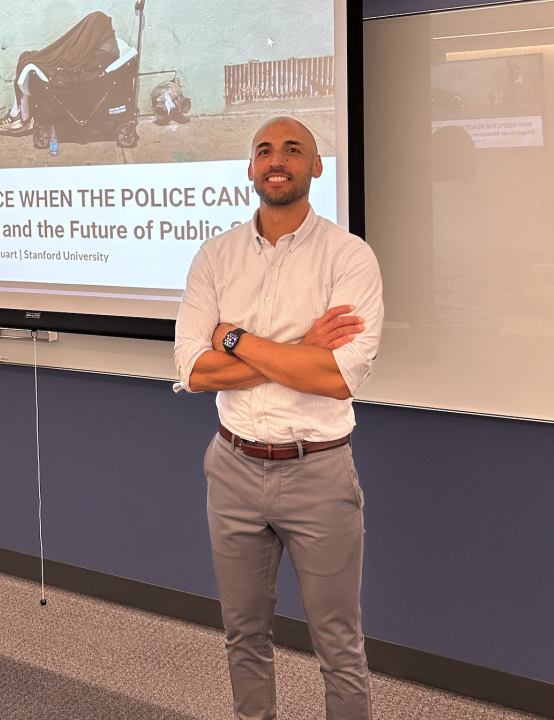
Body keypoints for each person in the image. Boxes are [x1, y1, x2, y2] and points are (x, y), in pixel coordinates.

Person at [174, 117, 384, 720]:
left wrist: (233, 338)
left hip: (318, 473)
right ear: (249, 169)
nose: (278, 159)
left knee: (338, 646)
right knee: (244, 636)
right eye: (264, 150)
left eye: (294, 150)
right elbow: (194, 370)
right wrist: (301, 346)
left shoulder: (350, 258)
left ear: (316, 166)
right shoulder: (215, 257)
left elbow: (337, 376)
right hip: (233, 467)